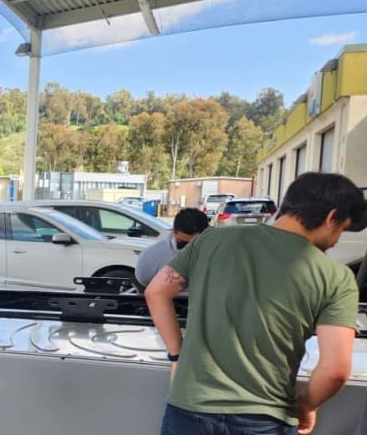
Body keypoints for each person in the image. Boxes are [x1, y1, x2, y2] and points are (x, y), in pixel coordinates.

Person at [146, 172, 364, 435]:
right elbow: (335, 370)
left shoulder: (211, 240)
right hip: (265, 418)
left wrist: (177, 355)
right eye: (341, 229)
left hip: (189, 407)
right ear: (331, 218)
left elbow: (157, 291)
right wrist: (307, 405)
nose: (337, 239)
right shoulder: (336, 277)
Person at [135, 207, 209, 288]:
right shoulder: (154, 255)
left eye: (195, 244)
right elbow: (145, 282)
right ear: (174, 231)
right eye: (183, 242)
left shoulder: (214, 250)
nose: (188, 249)